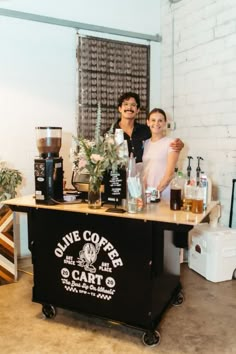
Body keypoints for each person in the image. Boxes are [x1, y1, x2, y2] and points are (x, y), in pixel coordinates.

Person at [111, 92, 184, 163]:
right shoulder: (110, 133)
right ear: (120, 108)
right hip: (118, 175)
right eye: (125, 104)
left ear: (138, 110)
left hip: (143, 174)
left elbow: (161, 141)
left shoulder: (146, 130)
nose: (129, 107)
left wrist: (179, 144)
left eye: (133, 105)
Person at [142, 108, 180, 201]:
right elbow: (146, 170)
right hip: (148, 194)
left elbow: (170, 174)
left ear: (165, 123)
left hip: (163, 195)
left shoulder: (172, 143)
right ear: (148, 122)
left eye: (160, 120)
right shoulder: (146, 143)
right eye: (153, 120)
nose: (156, 123)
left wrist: (156, 192)